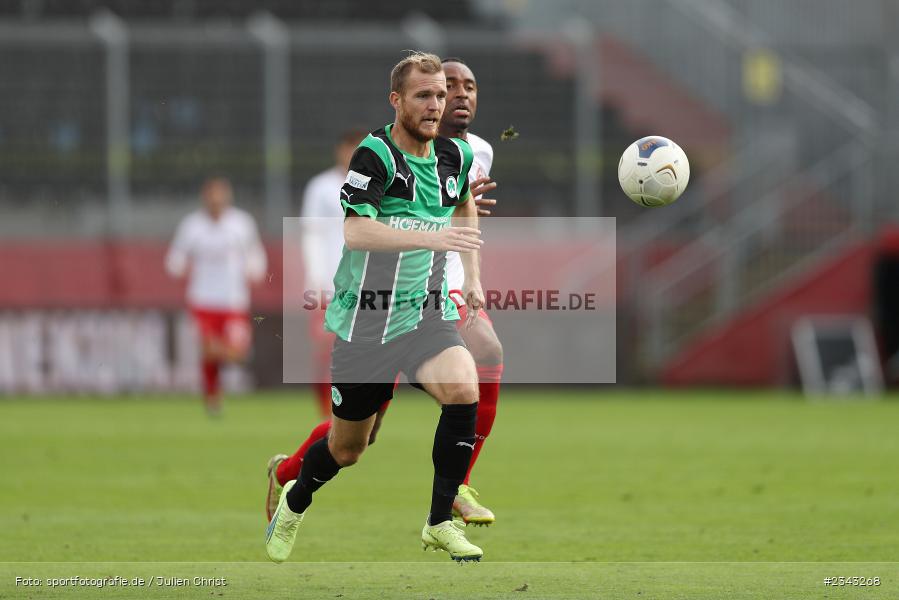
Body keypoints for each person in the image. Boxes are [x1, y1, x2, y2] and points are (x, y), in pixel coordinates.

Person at [266, 51, 486, 563]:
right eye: (423, 96)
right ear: (396, 100)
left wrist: (472, 275)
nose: (436, 105)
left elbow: (464, 204)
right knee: (350, 450)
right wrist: (432, 234)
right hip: (367, 323)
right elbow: (357, 231)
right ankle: (295, 502)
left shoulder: (457, 156)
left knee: (463, 387)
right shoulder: (375, 155)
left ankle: (438, 523)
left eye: (440, 95)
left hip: (426, 316)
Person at [165, 177, 267, 416]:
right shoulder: (192, 226)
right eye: (212, 196)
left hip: (234, 300)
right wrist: (181, 268)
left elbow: (255, 253)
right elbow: (174, 259)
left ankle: (217, 358)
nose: (216, 201)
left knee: (237, 353)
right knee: (208, 352)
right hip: (203, 299)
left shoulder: (241, 223)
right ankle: (212, 398)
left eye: (221, 195)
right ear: (205, 198)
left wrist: (255, 270)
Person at [299, 129, 369, 416]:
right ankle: (326, 411)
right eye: (348, 148)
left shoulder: (376, 186)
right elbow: (310, 233)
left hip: (365, 283)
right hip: (329, 281)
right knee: (328, 351)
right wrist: (314, 276)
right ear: (339, 150)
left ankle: (357, 410)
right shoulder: (321, 187)